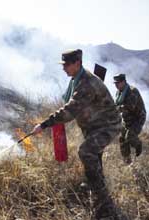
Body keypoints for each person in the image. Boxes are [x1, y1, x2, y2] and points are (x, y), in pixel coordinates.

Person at [32, 49, 121, 197]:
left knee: (86, 151)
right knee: (94, 154)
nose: (63, 68)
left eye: (66, 65)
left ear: (77, 63)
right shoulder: (77, 79)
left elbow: (69, 112)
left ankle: (100, 192)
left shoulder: (86, 83)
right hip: (95, 125)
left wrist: (44, 125)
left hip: (108, 125)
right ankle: (96, 184)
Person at [113, 74, 146, 164]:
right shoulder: (118, 93)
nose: (116, 85)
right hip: (126, 119)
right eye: (115, 83)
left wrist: (116, 109)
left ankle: (138, 144)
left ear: (123, 82)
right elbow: (116, 105)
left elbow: (130, 106)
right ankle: (127, 162)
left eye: (118, 83)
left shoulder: (132, 91)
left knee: (130, 136)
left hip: (137, 119)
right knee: (122, 140)